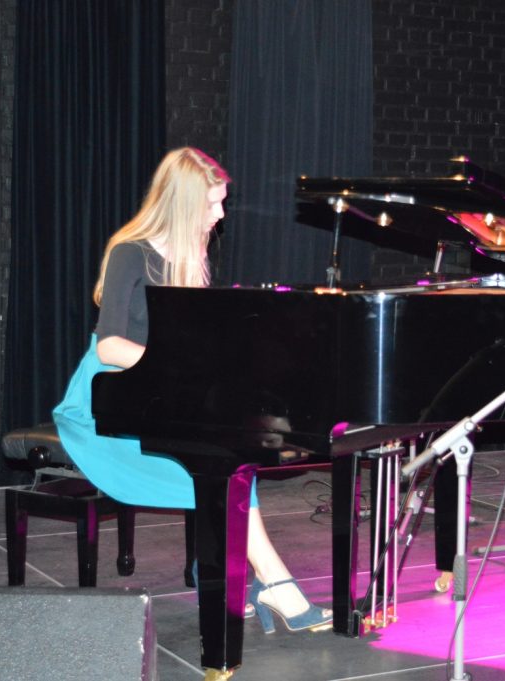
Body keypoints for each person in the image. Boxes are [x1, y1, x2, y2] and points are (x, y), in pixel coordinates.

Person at [52, 146, 331, 633]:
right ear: (183, 205)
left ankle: (225, 574)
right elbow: (111, 345)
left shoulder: (191, 255)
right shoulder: (129, 252)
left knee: (231, 459)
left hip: (156, 398)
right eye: (213, 203)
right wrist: (178, 371)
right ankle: (273, 584)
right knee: (224, 470)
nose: (221, 213)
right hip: (104, 404)